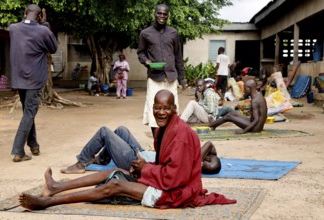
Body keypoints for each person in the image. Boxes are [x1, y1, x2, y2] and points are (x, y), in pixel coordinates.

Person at [19, 89, 236, 210]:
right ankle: (55, 187)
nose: (160, 112)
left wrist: (145, 170)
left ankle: (48, 201)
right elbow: (164, 167)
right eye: (157, 108)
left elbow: (173, 180)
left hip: (175, 194)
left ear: (174, 110)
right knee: (111, 172)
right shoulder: (163, 129)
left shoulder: (180, 135)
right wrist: (144, 169)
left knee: (114, 185)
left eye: (166, 109)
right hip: (167, 183)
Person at [60, 121, 221, 174]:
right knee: (121, 130)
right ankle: (103, 159)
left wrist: (209, 152)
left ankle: (81, 163)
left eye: (206, 162)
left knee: (104, 132)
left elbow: (209, 144)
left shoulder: (193, 165)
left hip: (136, 161)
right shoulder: (193, 160)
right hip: (142, 153)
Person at [9, 4, 58, 162]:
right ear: (39, 16)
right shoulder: (43, 30)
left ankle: (34, 145)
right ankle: (18, 151)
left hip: (19, 78)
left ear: (25, 13)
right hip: (35, 79)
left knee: (27, 113)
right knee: (29, 113)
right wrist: (45, 25)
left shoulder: (13, 28)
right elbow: (53, 48)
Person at [137, 4, 187, 137]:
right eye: (159, 13)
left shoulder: (173, 33)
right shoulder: (145, 33)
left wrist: (182, 79)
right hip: (154, 77)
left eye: (165, 14)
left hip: (171, 77)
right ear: (155, 14)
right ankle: (157, 143)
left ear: (168, 16)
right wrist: (147, 62)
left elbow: (178, 56)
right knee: (155, 109)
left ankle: (170, 140)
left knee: (172, 109)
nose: (162, 16)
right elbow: (140, 53)